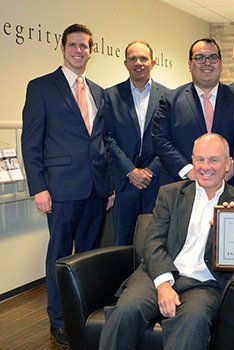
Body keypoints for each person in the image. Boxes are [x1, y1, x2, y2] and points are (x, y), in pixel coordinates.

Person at [99, 133, 234, 350]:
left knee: (193, 322)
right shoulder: (170, 194)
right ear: (192, 160)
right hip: (157, 275)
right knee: (125, 312)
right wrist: (163, 284)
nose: (205, 166)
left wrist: (233, 227)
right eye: (199, 159)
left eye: (213, 160)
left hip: (204, 285)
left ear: (228, 164)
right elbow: (153, 242)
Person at [21, 23, 113, 347]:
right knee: (59, 256)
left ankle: (83, 314)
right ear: (63, 48)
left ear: (91, 50)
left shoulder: (98, 91)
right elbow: (31, 142)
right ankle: (59, 320)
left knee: (87, 257)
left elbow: (102, 142)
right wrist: (39, 188)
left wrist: (110, 185)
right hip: (59, 190)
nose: (78, 50)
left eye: (84, 46)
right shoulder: (42, 87)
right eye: (72, 45)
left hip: (96, 191)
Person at [105, 40, 169, 245]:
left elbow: (170, 138)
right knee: (122, 242)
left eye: (143, 58)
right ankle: (124, 278)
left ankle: (152, 278)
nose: (138, 63)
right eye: (133, 58)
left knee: (154, 240)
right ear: (125, 63)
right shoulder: (110, 96)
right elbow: (107, 137)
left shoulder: (168, 96)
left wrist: (150, 170)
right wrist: (130, 171)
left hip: (156, 181)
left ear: (153, 62)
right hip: (124, 182)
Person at [153, 38, 234, 184]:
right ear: (189, 64)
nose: (207, 63)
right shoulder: (169, 100)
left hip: (230, 185)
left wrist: (233, 168)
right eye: (200, 58)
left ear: (220, 64)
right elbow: (160, 140)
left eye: (213, 58)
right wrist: (189, 171)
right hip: (183, 185)